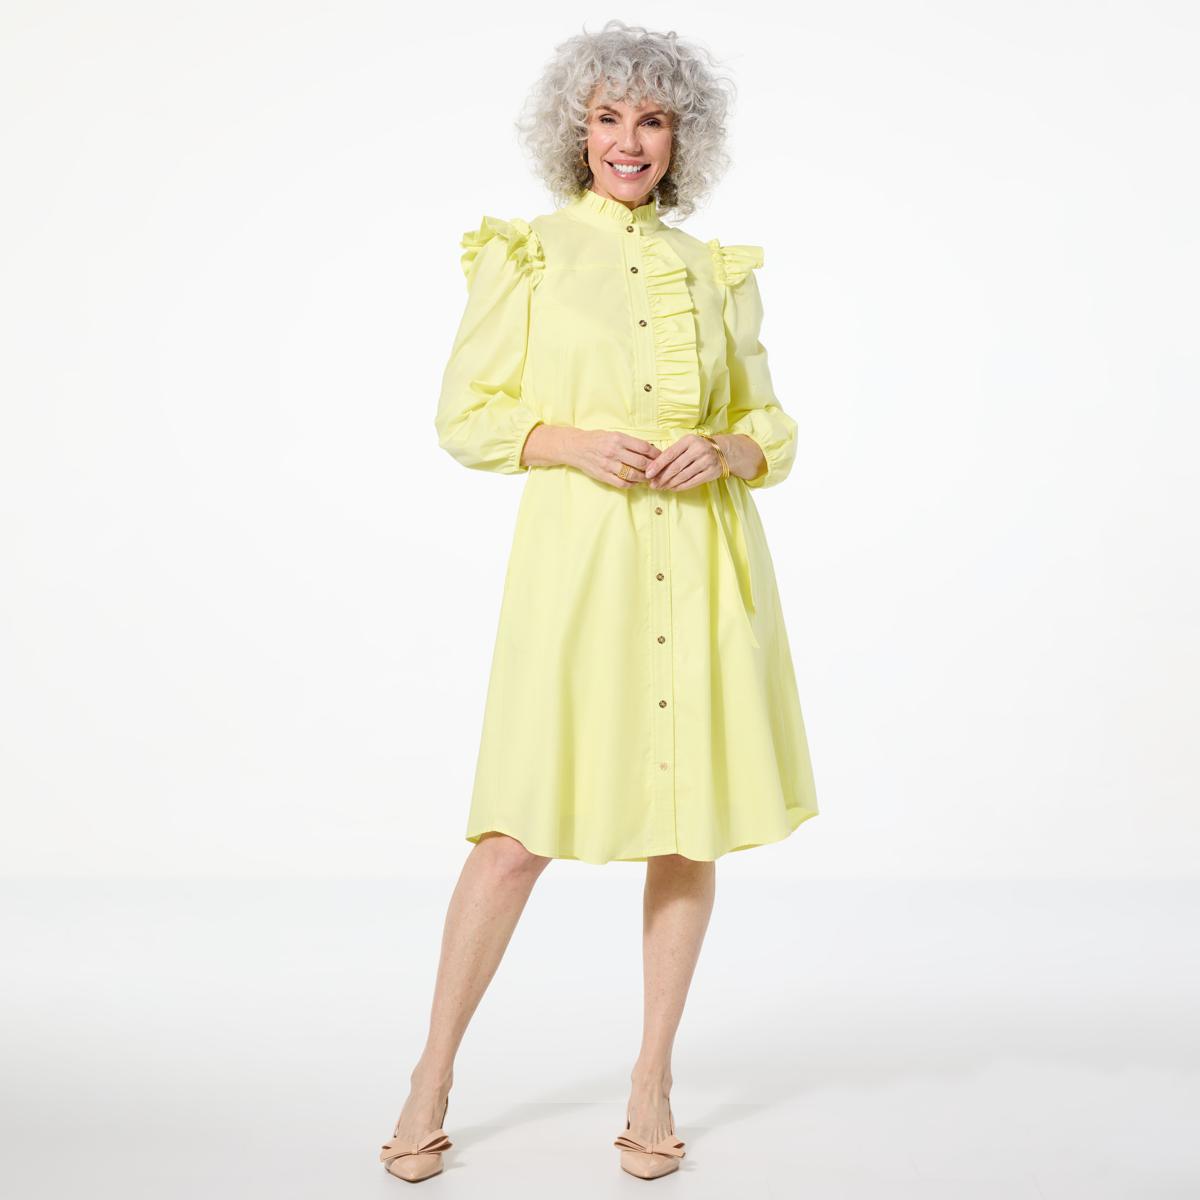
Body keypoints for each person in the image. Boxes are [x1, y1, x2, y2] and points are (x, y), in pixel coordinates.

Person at [378, 19, 819, 1183]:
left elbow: (770, 422)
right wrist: (570, 440)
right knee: (516, 834)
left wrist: (729, 449)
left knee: (686, 827)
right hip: (581, 571)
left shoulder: (715, 272)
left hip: (707, 562)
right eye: (609, 117)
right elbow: (467, 416)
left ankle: (651, 1077)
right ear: (576, 132)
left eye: (653, 119)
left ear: (682, 137)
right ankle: (430, 1076)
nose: (630, 140)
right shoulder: (526, 256)